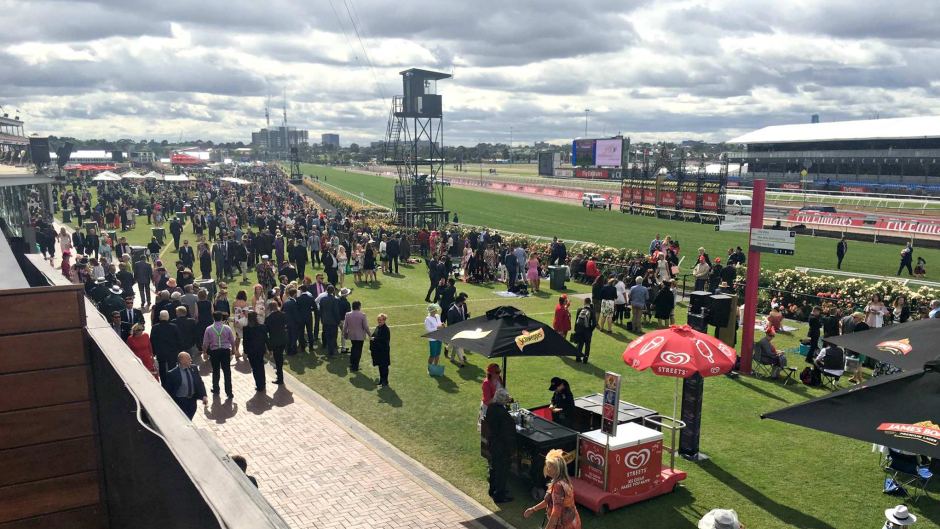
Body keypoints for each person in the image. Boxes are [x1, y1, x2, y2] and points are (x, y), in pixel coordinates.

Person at [523, 448, 581, 528]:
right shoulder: (564, 481)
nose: (547, 468)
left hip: (563, 525)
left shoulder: (558, 486)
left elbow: (556, 513)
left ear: (556, 469)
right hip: (571, 521)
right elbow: (548, 501)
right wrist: (533, 509)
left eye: (549, 466)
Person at [484, 388, 515, 504]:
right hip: (501, 446)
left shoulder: (491, 408)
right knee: (502, 470)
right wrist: (511, 450)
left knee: (494, 467)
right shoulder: (503, 415)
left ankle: (492, 489)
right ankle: (499, 495)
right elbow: (508, 435)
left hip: (493, 442)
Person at [163, 352, 207, 420]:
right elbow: (168, 391)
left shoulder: (194, 368)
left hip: (192, 400)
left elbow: (199, 383)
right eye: (188, 358)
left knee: (189, 418)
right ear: (181, 360)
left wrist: (204, 396)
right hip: (181, 401)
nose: (191, 360)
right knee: (184, 419)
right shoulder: (172, 374)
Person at [201, 311, 236, 399]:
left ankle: (216, 388)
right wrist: (234, 349)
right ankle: (229, 392)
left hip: (214, 352)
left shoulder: (208, 329)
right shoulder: (227, 328)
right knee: (227, 372)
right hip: (225, 351)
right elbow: (232, 340)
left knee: (216, 371)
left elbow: (205, 343)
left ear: (213, 318)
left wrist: (204, 352)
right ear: (221, 318)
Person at [150, 310, 182, 380]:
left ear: (160, 317)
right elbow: (178, 339)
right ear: (168, 317)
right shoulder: (174, 327)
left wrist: (154, 352)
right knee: (173, 367)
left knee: (162, 368)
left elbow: (152, 340)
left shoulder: (155, 327)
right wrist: (177, 349)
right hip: (172, 352)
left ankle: (164, 383)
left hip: (160, 352)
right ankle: (173, 382)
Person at [243, 310, 268, 392]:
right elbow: (265, 339)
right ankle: (263, 383)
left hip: (251, 351)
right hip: (260, 350)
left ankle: (258, 384)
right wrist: (268, 348)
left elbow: (245, 341)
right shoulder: (262, 327)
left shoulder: (246, 329)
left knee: (255, 368)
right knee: (261, 366)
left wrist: (245, 351)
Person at [265, 300, 287, 384]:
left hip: (275, 341)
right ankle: (279, 373)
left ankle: (280, 378)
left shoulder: (269, 319)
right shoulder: (283, 315)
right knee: (280, 357)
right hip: (283, 339)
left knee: (278, 359)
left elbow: (266, 331)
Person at [344, 300, 370, 372]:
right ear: (359, 306)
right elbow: (365, 327)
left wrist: (345, 334)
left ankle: (352, 364)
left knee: (353, 348)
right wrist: (370, 335)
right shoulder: (362, 315)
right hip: (360, 336)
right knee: (358, 351)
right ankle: (355, 366)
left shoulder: (347, 314)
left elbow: (345, 326)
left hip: (351, 335)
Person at [445, 292, 470, 368]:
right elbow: (450, 324)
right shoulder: (451, 311)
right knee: (458, 346)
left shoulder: (462, 307)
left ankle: (450, 354)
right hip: (455, 332)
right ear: (459, 302)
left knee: (456, 345)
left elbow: (462, 317)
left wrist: (466, 316)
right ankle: (462, 361)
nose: (464, 303)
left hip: (462, 330)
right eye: (463, 302)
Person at [319, 285, 342, 357]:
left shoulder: (322, 299)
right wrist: (339, 321)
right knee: (333, 337)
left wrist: (322, 319)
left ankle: (328, 348)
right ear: (333, 291)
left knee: (328, 336)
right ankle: (331, 352)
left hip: (325, 321)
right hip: (333, 322)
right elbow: (336, 312)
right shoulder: (335, 300)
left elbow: (321, 310)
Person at [572, 298, 596, 364]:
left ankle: (578, 358)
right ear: (590, 302)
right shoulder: (592, 311)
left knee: (580, 344)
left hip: (579, 330)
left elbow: (576, 321)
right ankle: (585, 360)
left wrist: (576, 330)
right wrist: (590, 330)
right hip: (587, 330)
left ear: (584, 302)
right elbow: (594, 324)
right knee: (587, 345)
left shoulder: (579, 309)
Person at [369, 313, 391, 387]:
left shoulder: (386, 329)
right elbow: (374, 335)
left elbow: (384, 340)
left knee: (384, 367)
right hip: (378, 351)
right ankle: (381, 380)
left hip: (384, 351)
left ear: (384, 320)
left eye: (381, 320)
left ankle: (385, 381)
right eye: (378, 320)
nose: (379, 321)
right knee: (380, 366)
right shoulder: (378, 327)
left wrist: (374, 339)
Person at [424, 304, 443, 373]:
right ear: (431, 311)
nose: (436, 311)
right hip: (432, 339)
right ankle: (429, 368)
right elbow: (428, 329)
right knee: (433, 354)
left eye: (436, 310)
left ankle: (435, 366)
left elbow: (439, 323)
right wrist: (437, 328)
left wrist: (442, 325)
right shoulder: (427, 319)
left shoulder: (437, 316)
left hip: (439, 337)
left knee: (438, 353)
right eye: (435, 310)